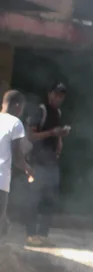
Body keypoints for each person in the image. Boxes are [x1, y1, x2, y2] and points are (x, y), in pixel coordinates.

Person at [22, 83, 70, 247]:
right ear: (49, 94)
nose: (58, 98)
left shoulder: (57, 112)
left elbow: (55, 134)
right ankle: (30, 235)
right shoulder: (40, 111)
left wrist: (60, 138)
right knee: (33, 199)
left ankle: (43, 235)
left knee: (50, 200)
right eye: (56, 94)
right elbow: (30, 135)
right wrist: (51, 133)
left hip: (51, 163)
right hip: (37, 162)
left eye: (61, 96)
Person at [0, 91, 33, 238]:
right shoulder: (15, 123)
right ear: (17, 106)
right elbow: (17, 156)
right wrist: (28, 168)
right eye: (22, 108)